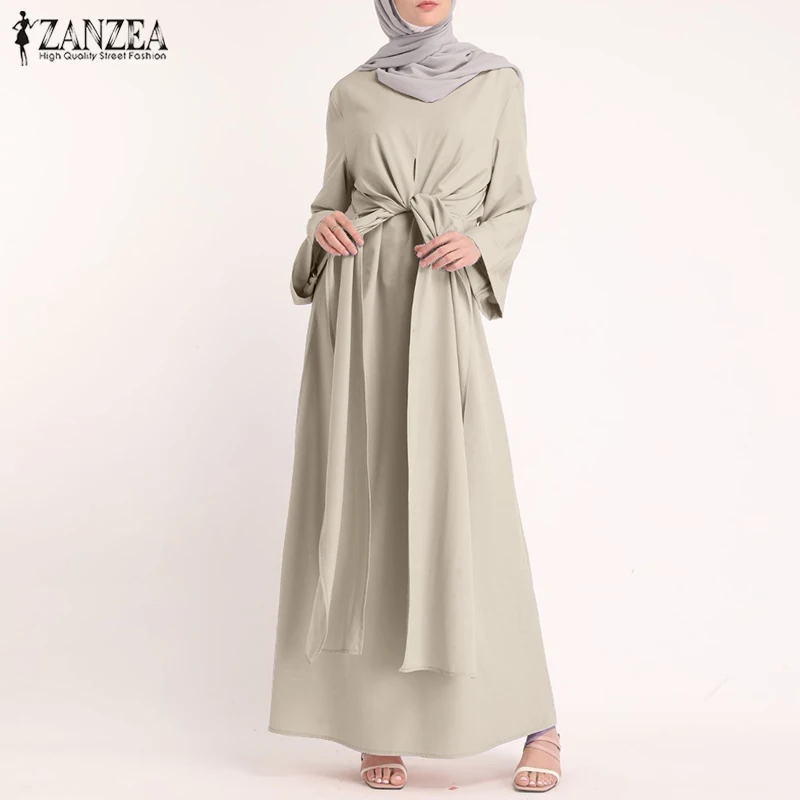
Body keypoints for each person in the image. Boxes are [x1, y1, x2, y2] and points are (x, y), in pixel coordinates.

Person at [269, 0, 562, 792]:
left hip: (438, 300)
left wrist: (480, 242)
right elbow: (330, 200)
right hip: (359, 309)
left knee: (471, 508)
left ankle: (540, 722)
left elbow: (515, 198)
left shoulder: (497, 82)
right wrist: (322, 231)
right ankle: (380, 724)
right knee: (369, 508)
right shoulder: (351, 92)